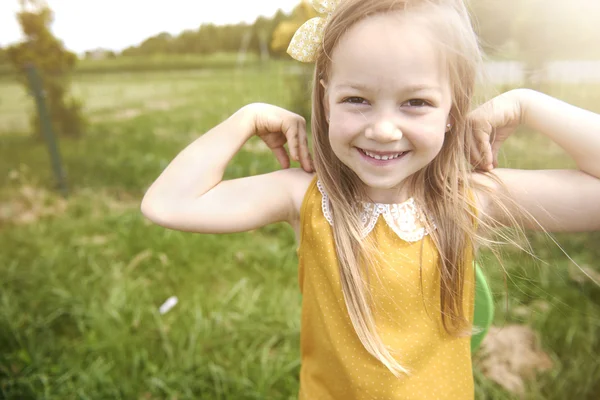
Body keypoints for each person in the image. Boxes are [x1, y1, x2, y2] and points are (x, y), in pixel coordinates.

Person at [141, 0, 600, 398]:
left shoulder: (468, 198)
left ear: (452, 110)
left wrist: (528, 104)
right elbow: (167, 203)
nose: (382, 129)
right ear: (324, 102)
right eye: (357, 99)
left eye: (415, 102)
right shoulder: (305, 196)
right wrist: (245, 119)